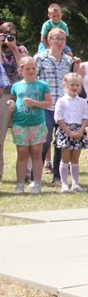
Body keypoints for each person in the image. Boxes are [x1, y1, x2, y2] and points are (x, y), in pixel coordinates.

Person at [34, 28, 80, 186]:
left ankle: (58, 177)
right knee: (44, 142)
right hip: (46, 107)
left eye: (63, 39)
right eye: (56, 39)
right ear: (49, 40)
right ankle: (36, 177)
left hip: (64, 108)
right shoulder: (39, 58)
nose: (60, 42)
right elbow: (34, 82)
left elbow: (73, 82)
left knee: (61, 143)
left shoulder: (68, 61)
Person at [7, 57, 51, 194]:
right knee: (22, 155)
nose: (31, 71)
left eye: (33, 68)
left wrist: (35, 103)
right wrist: (11, 105)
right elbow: (14, 101)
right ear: (21, 70)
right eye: (27, 69)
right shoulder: (16, 86)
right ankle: (20, 184)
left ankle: (37, 183)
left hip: (37, 123)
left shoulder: (43, 84)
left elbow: (49, 103)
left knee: (36, 154)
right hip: (20, 124)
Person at [0, 22, 29, 182]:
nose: (10, 37)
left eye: (13, 34)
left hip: (21, 93)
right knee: (0, 134)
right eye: (6, 34)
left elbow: (25, 68)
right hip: (3, 94)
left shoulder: (22, 50)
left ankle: (27, 172)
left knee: (26, 133)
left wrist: (13, 48)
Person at [54, 73, 88, 192]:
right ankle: (64, 183)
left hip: (79, 130)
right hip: (66, 130)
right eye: (72, 84)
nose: (75, 87)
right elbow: (58, 118)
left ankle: (75, 183)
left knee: (75, 158)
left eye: (77, 85)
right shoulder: (61, 101)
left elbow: (86, 117)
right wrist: (68, 131)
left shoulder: (83, 101)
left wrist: (81, 130)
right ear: (66, 85)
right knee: (65, 158)